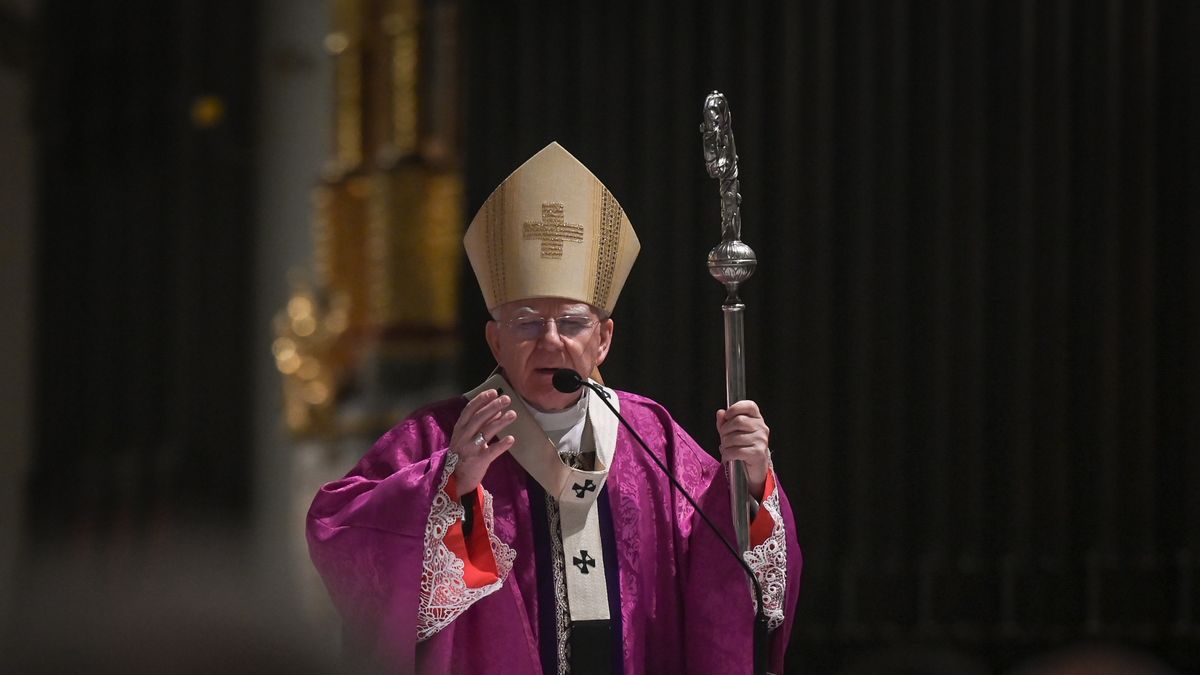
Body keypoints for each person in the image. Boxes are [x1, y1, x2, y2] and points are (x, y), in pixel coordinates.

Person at [307, 142, 802, 675]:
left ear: (603, 340)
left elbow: (719, 567)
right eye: (525, 323)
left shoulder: (650, 436)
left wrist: (751, 482)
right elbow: (341, 534)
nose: (549, 341)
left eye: (571, 323)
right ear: (495, 341)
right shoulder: (439, 435)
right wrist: (451, 485)